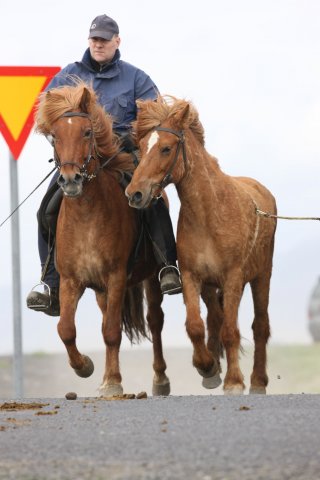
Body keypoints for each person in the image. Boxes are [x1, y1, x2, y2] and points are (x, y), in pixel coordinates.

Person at [26, 14, 182, 316]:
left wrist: (130, 138)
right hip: (77, 161)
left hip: (122, 158)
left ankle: (167, 267)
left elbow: (156, 118)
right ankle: (50, 284)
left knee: (152, 201)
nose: (99, 44)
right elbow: (47, 117)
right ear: (89, 41)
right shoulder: (68, 76)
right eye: (95, 39)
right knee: (45, 209)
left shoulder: (136, 78)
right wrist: (63, 144)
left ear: (117, 42)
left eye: (104, 39)